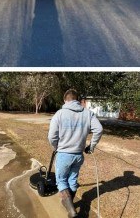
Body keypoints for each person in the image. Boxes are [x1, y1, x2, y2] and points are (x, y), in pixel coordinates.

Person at [48, 89, 103, 217]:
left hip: (64, 155)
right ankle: (70, 203)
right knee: (72, 180)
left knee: (61, 181)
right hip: (78, 156)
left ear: (64, 100)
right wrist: (91, 146)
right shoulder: (88, 113)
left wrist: (55, 147)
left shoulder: (59, 114)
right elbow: (99, 129)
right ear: (78, 100)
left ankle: (71, 210)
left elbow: (52, 136)